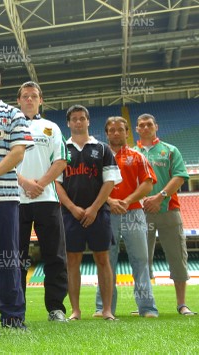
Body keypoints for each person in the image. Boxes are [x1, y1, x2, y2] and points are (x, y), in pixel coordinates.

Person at [0, 61, 33, 330]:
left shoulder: (13, 114)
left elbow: (18, 152)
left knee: (8, 257)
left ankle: (12, 316)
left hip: (6, 197)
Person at [55, 104, 121, 321]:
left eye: (82, 118)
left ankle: (107, 309)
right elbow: (56, 184)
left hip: (99, 213)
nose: (78, 122)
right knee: (72, 261)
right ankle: (75, 310)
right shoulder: (61, 149)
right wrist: (72, 208)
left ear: (88, 121)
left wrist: (93, 208)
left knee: (103, 259)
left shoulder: (102, 149)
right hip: (69, 214)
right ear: (68, 123)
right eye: (74, 119)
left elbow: (110, 181)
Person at [94, 116, 158, 318]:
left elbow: (148, 183)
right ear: (106, 133)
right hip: (106, 213)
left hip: (134, 213)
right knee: (106, 261)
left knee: (140, 260)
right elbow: (93, 184)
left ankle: (147, 308)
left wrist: (127, 201)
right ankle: (103, 308)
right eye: (112, 130)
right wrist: (110, 201)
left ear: (127, 132)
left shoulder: (137, 156)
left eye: (120, 130)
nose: (116, 133)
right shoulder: (98, 157)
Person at [15, 81, 68, 322]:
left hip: (46, 198)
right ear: (18, 100)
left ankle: (55, 308)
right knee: (16, 256)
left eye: (33, 96)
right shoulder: (9, 126)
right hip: (15, 199)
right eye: (24, 96)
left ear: (40, 100)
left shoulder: (52, 127)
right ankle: (15, 309)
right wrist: (25, 183)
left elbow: (60, 161)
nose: (29, 99)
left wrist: (40, 184)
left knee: (54, 255)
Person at [134, 113, 195, 316]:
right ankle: (145, 305)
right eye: (141, 125)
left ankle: (182, 304)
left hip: (169, 210)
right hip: (141, 213)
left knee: (177, 256)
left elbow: (179, 177)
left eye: (149, 124)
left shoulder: (170, 150)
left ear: (156, 127)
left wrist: (159, 197)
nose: (145, 128)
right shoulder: (132, 153)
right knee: (142, 259)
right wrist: (143, 201)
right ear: (136, 129)